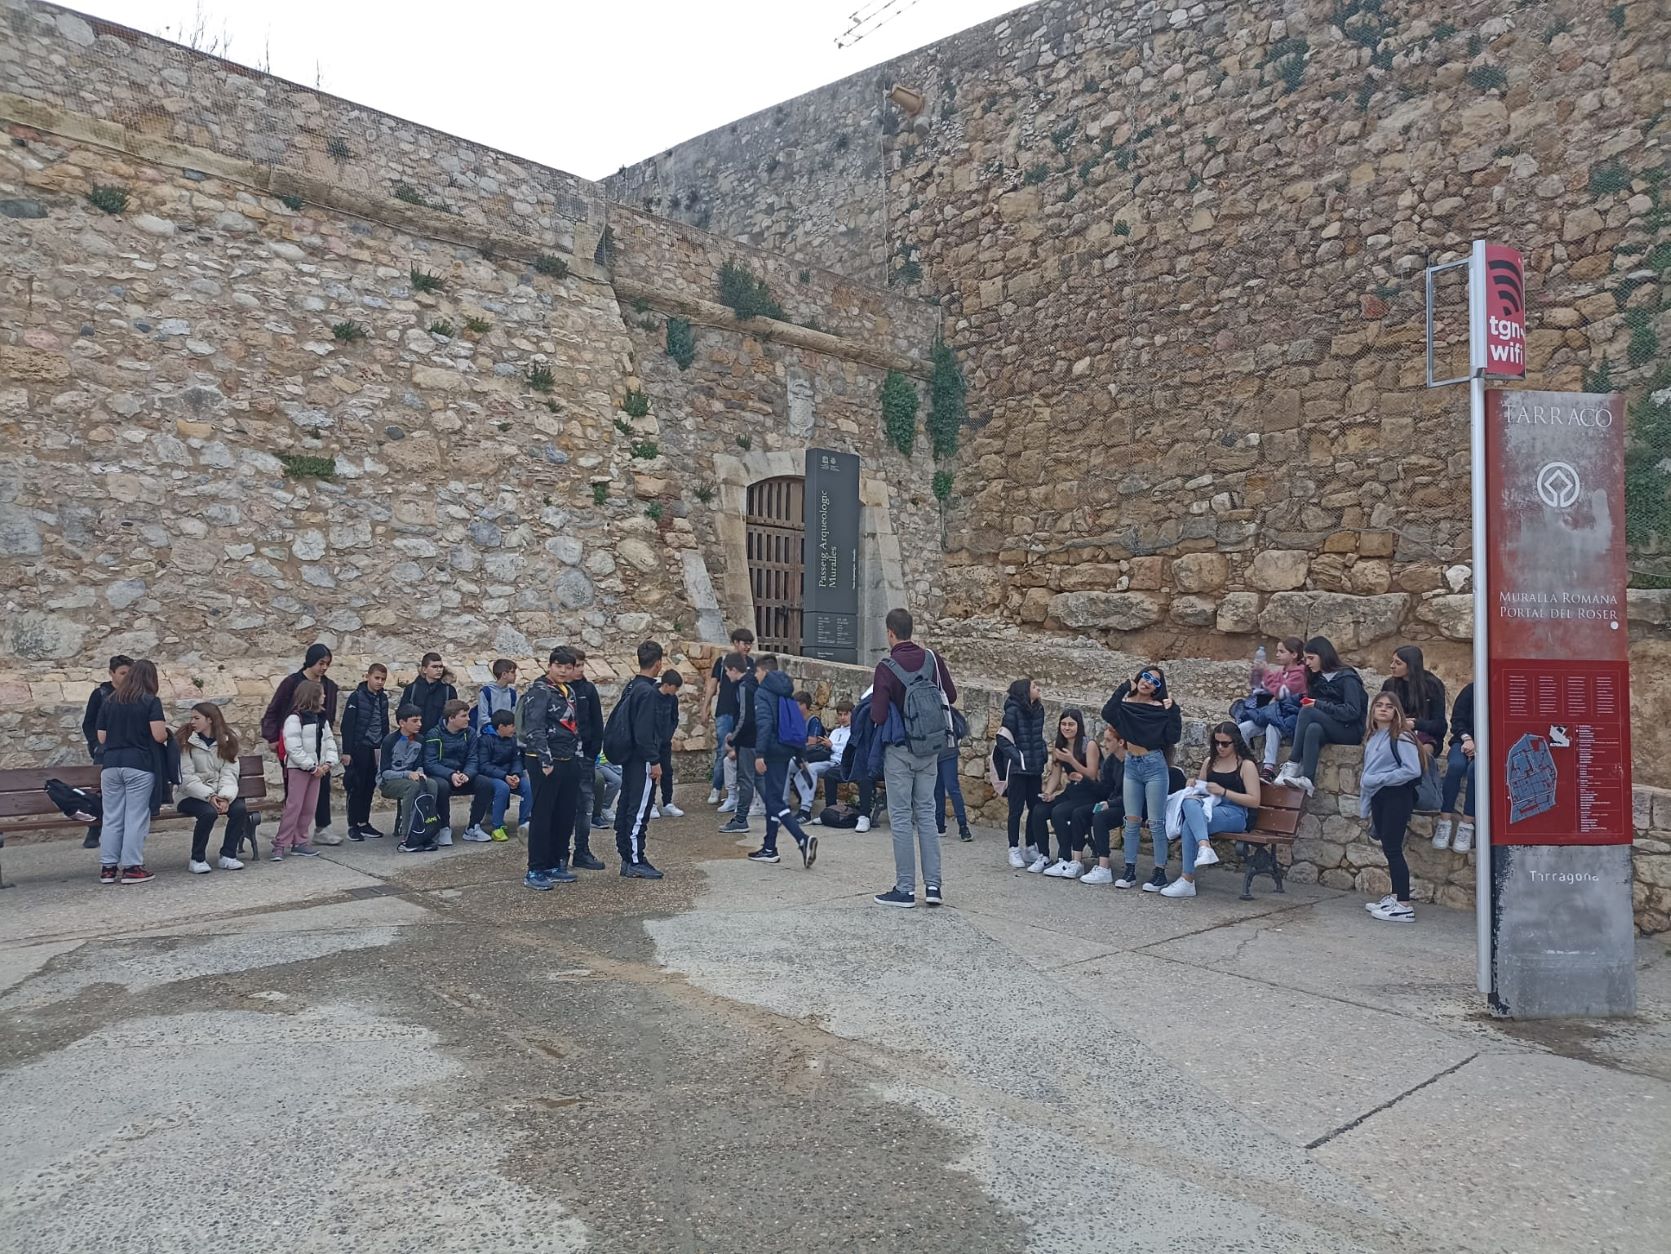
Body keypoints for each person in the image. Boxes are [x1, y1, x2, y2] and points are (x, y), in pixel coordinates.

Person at [870, 608, 957, 909]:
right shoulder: (932, 659)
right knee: (927, 815)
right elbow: (951, 696)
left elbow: (878, 714)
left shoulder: (886, 667)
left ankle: (905, 889)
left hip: (900, 751)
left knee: (901, 818)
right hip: (929, 749)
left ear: (890, 633)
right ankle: (933, 887)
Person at [1101, 666, 1183, 891]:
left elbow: (1173, 736)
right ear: (1138, 678)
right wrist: (1123, 688)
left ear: (1158, 688)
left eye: (1155, 681)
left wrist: (1173, 711)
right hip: (1131, 763)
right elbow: (1108, 713)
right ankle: (1129, 871)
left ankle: (1159, 872)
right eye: (1146, 677)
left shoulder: (1159, 708)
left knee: (1156, 822)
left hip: (1154, 764)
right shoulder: (1126, 704)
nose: (1148, 682)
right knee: (1131, 820)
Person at [1159, 722, 1262, 898]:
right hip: (1210, 807)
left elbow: (1254, 800)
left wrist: (1224, 791)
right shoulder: (1210, 762)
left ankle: (1187, 879)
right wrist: (1193, 784)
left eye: (1225, 744)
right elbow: (1200, 793)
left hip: (1235, 812)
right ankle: (1204, 847)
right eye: (1216, 742)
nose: (1220, 747)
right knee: (1190, 809)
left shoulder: (1245, 765)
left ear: (1236, 742)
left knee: (1191, 822)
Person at [260, 644, 342, 845]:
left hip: (319, 744)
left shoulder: (329, 686)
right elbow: (274, 710)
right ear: (311, 660)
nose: (324, 667)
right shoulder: (292, 682)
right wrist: (272, 737)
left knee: (322, 787)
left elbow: (328, 716)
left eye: (327, 664)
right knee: (295, 794)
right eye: (321, 663)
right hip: (294, 744)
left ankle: (322, 828)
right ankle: (289, 835)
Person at [95, 658, 168, 885]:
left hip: (110, 765)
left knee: (112, 817)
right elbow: (159, 735)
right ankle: (132, 867)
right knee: (136, 816)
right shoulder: (150, 701)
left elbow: (101, 737)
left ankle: (108, 868)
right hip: (139, 763)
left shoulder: (110, 701)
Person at [521, 647, 587, 889]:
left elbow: (574, 726)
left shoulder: (568, 690)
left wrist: (578, 756)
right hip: (545, 760)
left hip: (568, 758)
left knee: (564, 814)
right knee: (543, 815)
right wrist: (545, 760)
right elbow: (534, 727)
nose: (563, 671)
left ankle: (554, 863)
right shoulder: (539, 690)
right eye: (558, 666)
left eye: (568, 667)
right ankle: (535, 869)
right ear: (550, 666)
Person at [745, 656, 818, 868]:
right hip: (787, 749)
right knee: (774, 798)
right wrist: (800, 755)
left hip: (772, 751)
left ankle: (802, 839)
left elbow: (765, 723)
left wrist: (759, 754)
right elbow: (795, 723)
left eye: (757, 672)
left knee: (774, 801)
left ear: (764, 672)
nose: (755, 676)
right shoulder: (785, 690)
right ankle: (769, 847)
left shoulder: (763, 693)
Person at [1360, 691, 1425, 923]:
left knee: (1394, 848)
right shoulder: (1373, 736)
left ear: (1396, 711)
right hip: (1380, 796)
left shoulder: (1402, 737)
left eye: (1389, 706)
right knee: (1389, 848)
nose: (1383, 709)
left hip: (1396, 796)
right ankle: (1397, 896)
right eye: (1379, 705)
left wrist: (1380, 779)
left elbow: (1412, 769)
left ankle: (1404, 904)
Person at [1275, 637, 1367, 796]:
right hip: (1330, 725)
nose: (1308, 663)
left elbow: (1352, 712)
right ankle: (1307, 779)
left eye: (1311, 658)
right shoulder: (1316, 677)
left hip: (1350, 730)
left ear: (1324, 656)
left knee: (1308, 711)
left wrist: (1318, 704)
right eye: (1306, 659)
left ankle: (1293, 763)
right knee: (1313, 729)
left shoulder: (1347, 678)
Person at [613, 641, 668, 879]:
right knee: (638, 810)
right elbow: (644, 732)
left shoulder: (632, 686)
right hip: (642, 759)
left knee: (627, 805)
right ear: (658, 663)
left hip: (630, 757)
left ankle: (627, 856)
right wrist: (654, 761)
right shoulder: (648, 692)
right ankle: (635, 859)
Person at [175, 702, 249, 874]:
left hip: (218, 793)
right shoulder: (185, 742)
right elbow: (186, 778)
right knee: (208, 813)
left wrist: (225, 797)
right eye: (191, 718)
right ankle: (197, 859)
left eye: (196, 718)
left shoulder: (227, 742)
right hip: (189, 795)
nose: (192, 722)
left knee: (239, 809)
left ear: (210, 720)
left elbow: (229, 774)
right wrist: (209, 796)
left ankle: (228, 856)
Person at [275, 679, 338, 861]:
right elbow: (293, 747)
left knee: (309, 808)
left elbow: (329, 742)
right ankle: (280, 843)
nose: (324, 696)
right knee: (294, 806)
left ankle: (300, 841)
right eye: (321, 693)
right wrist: (311, 766)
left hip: (318, 770)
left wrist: (327, 763)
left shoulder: (321, 718)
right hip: (300, 769)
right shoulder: (295, 719)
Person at [1039, 709, 1102, 878]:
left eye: (1071, 724)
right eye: (1064, 724)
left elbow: (1092, 775)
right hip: (1072, 791)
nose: (1067, 728)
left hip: (1090, 793)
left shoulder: (1089, 745)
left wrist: (1071, 760)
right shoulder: (1059, 745)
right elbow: (1055, 774)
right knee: (1039, 810)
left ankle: (1066, 858)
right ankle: (1043, 856)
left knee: (1059, 813)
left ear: (1078, 725)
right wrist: (1048, 793)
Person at [1237, 637, 1307, 781]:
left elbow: (1282, 693)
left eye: (1281, 651)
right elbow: (1260, 688)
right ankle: (1245, 764)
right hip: (1273, 714)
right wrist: (1258, 676)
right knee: (1242, 728)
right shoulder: (1281, 672)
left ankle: (1268, 769)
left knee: (1272, 726)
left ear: (1294, 654)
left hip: (1289, 717)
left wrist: (1266, 673)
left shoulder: (1300, 674)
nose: (1277, 654)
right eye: (1277, 651)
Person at [1000, 677, 1048, 869]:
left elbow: (1038, 736)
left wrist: (1042, 753)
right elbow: (1002, 739)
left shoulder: (1039, 710)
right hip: (1018, 770)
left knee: (1035, 808)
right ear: (1024, 691)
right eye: (1034, 686)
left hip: (1035, 768)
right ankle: (1013, 848)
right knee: (1016, 810)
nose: (1038, 689)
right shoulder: (1012, 711)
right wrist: (1018, 757)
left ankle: (1030, 845)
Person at [705, 626, 755, 809]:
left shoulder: (751, 664)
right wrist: (705, 707)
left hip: (742, 713)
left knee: (741, 751)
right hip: (725, 711)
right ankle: (717, 787)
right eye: (744, 643)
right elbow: (712, 686)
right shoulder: (722, 662)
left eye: (749, 644)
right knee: (723, 750)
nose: (747, 647)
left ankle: (736, 791)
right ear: (735, 643)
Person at [339, 662, 390, 841]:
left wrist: (385, 747)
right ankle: (353, 825)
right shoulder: (356, 697)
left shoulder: (383, 699)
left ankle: (364, 822)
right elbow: (347, 726)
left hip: (376, 748)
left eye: (383, 679)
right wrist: (347, 752)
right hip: (359, 747)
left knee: (369, 786)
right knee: (356, 786)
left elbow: (384, 723)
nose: (379, 682)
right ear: (367, 676)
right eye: (376, 678)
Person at [381, 704, 441, 852]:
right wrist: (407, 774)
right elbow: (385, 772)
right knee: (413, 787)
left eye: (420, 720)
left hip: (412, 778)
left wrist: (420, 773)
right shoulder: (390, 740)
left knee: (432, 784)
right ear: (402, 723)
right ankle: (407, 837)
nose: (419, 724)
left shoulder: (420, 739)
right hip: (390, 781)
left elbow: (419, 764)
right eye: (414, 721)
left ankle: (427, 832)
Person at [568, 647, 607, 868]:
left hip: (585, 756)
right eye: (576, 666)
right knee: (564, 807)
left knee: (585, 805)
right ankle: (560, 852)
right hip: (564, 756)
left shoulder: (588, 689)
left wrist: (593, 752)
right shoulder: (559, 690)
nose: (580, 669)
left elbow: (597, 722)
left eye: (583, 665)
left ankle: (582, 850)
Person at [468, 710, 530, 842]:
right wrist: (504, 776)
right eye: (512, 726)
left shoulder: (513, 739)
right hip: (492, 776)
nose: (515, 729)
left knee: (527, 786)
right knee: (502, 788)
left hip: (509, 775)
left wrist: (515, 774)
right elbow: (484, 765)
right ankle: (497, 826)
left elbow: (517, 760)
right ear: (501, 727)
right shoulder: (485, 740)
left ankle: (524, 824)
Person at [424, 699, 479, 845]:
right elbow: (430, 763)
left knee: (485, 783)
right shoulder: (433, 734)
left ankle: (473, 827)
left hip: (463, 775)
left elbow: (473, 758)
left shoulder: (470, 732)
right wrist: (451, 774)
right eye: (464, 716)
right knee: (441, 786)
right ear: (451, 718)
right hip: (442, 775)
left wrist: (467, 774)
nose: (468, 719)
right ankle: (444, 827)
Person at [718, 651, 760, 838]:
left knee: (746, 779)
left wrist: (732, 739)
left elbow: (745, 717)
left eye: (727, 671)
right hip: (756, 739)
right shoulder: (753, 682)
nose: (727, 675)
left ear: (734, 669)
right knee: (758, 779)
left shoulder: (744, 687)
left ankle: (741, 819)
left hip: (748, 741)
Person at [1079, 727, 1127, 885]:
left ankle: (1104, 867)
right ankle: (1074, 860)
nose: (1104, 744)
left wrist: (1110, 803)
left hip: (1131, 806)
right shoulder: (1110, 762)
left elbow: (1131, 796)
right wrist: (1085, 781)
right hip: (1113, 803)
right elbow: (1105, 790)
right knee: (1079, 813)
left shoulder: (1132, 763)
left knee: (1100, 818)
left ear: (1121, 742)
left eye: (1108, 740)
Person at [1433, 682, 1476, 853]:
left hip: (1490, 746)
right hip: (1463, 742)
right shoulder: (1471, 689)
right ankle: (1444, 821)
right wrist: (1467, 739)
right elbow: (1457, 720)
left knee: (1475, 772)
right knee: (1456, 766)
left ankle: (1466, 825)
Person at [933, 700, 974, 843]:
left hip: (939, 751)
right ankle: (954, 826)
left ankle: (957, 826)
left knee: (946, 788)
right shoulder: (944, 702)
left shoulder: (935, 702)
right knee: (945, 788)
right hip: (946, 749)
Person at [83, 654, 133, 762]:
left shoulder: (135, 695)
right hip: (105, 750)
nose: (127, 677)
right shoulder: (100, 694)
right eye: (123, 673)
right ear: (111, 673)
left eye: (130, 673)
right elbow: (88, 723)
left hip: (130, 750)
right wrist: (96, 744)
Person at [654, 669, 686, 817]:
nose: (676, 691)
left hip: (665, 742)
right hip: (652, 742)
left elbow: (674, 718)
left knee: (667, 771)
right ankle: (651, 804)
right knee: (652, 773)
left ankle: (667, 802)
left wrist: (668, 733)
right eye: (675, 688)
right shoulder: (652, 696)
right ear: (666, 685)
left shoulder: (673, 699)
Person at [399, 652, 456, 733]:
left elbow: (454, 716)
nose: (439, 670)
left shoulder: (449, 690)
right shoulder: (412, 689)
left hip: (440, 736)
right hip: (416, 735)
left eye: (441, 667)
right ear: (424, 669)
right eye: (434, 667)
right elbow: (402, 714)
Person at [474, 658, 519, 732]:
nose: (515, 675)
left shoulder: (513, 694)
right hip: (489, 733)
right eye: (513, 672)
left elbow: (516, 716)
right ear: (504, 674)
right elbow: (483, 718)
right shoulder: (486, 692)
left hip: (508, 734)